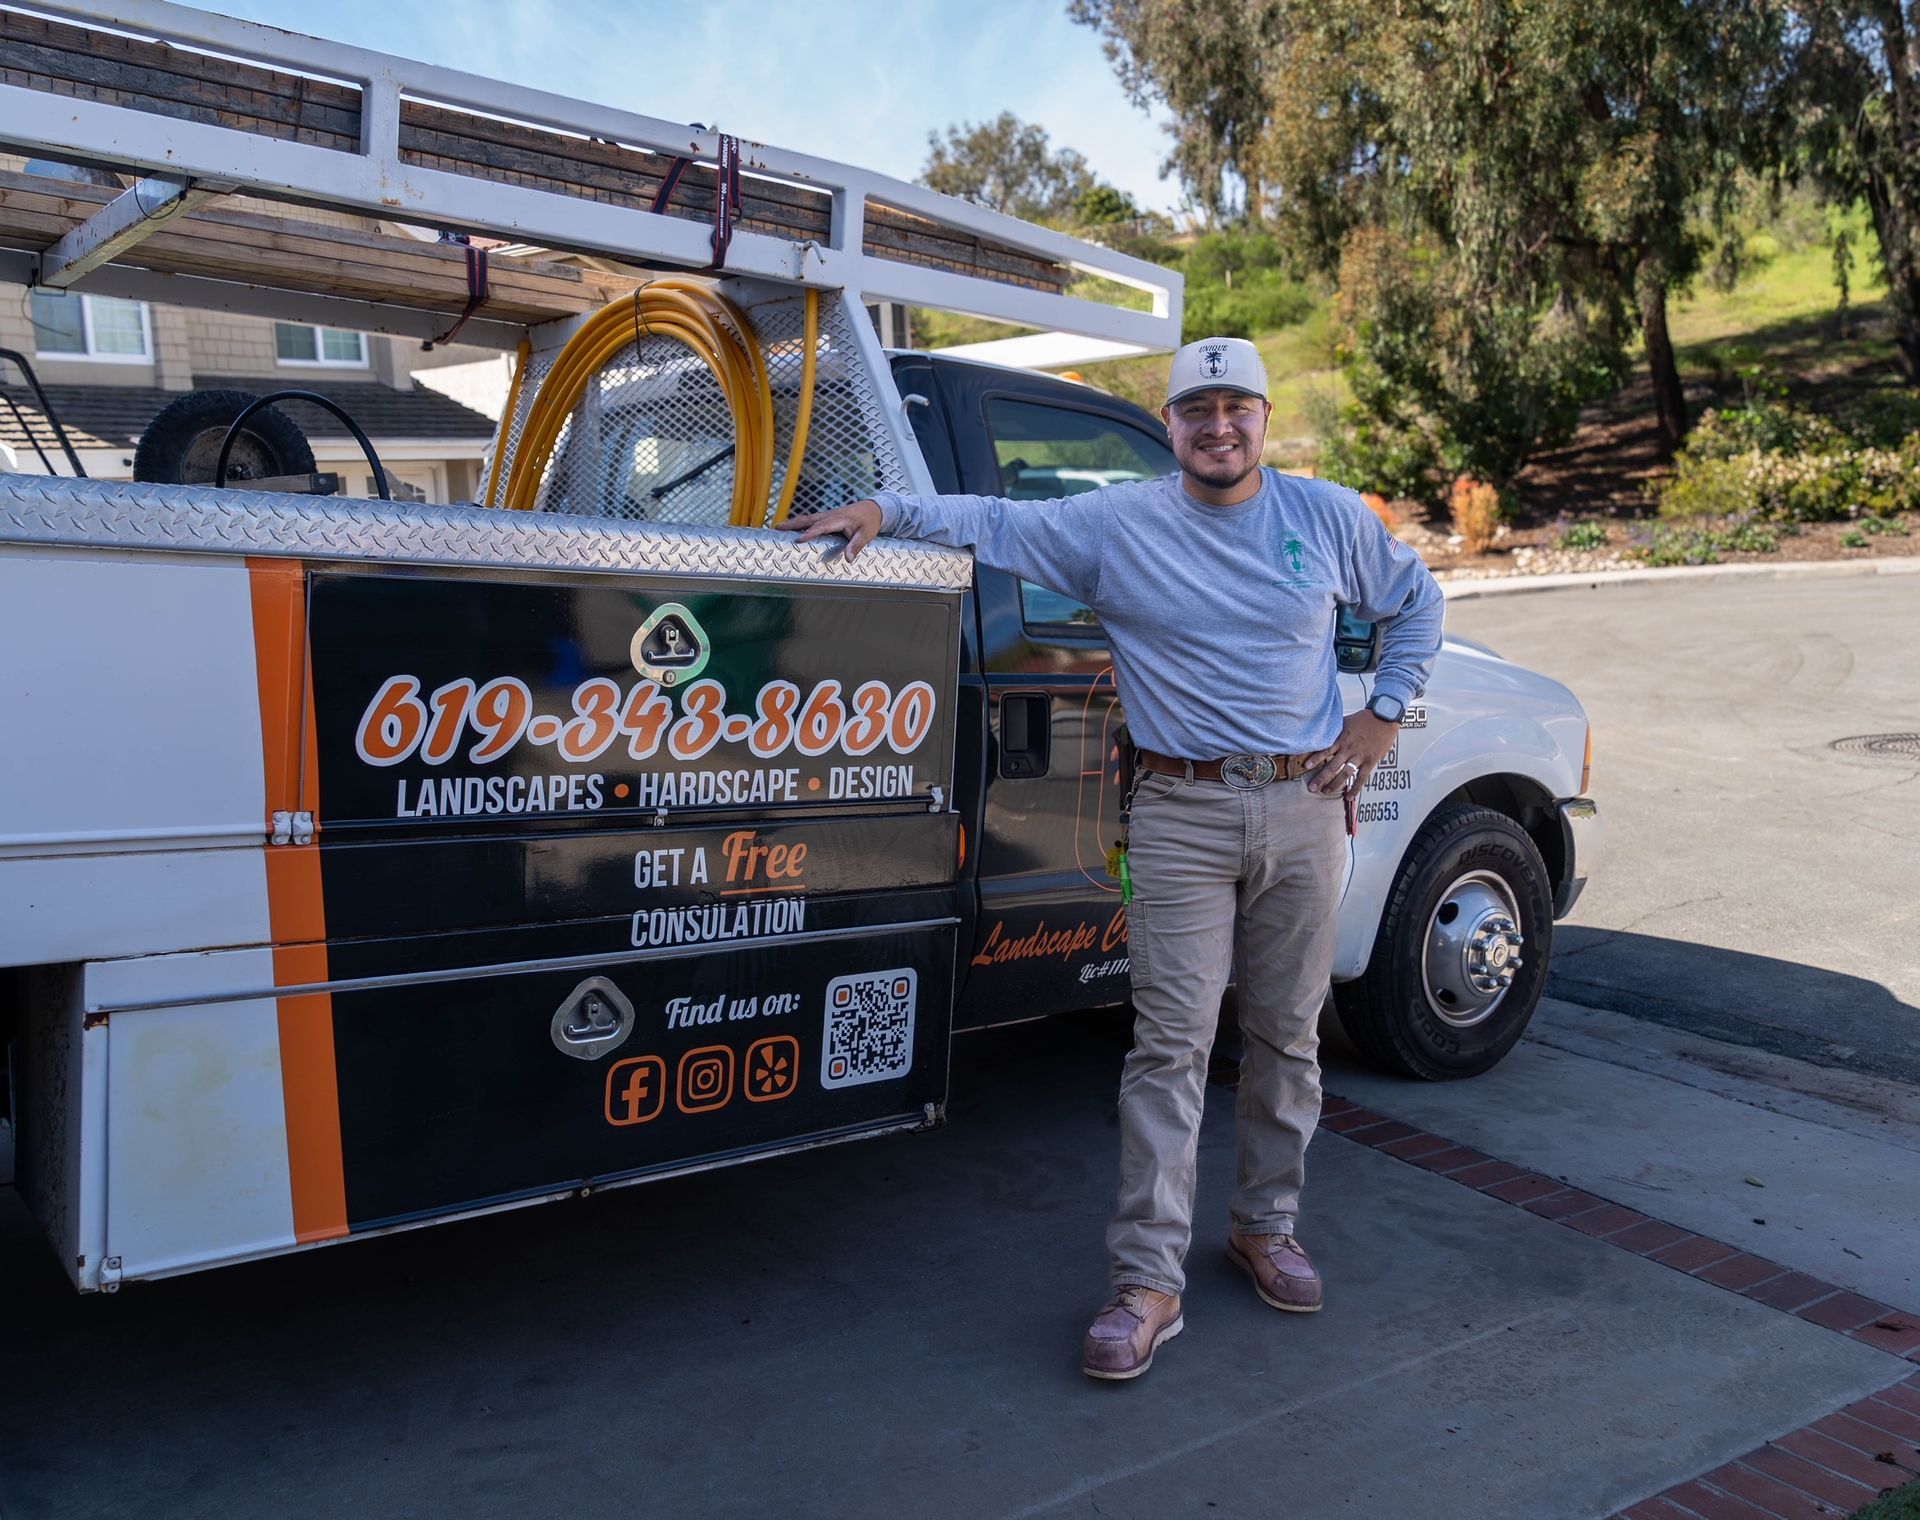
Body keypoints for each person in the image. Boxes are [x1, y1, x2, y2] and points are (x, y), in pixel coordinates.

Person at [780, 336, 1444, 1380]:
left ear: (1264, 417)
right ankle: (1148, 1281)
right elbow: (996, 520)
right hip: (1180, 807)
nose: (1218, 427)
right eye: (1196, 411)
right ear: (1170, 425)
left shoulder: (1322, 518)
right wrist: (886, 511)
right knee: (1170, 1047)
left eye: (1237, 408)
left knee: (1286, 1033)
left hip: (1309, 804)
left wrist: (1382, 720)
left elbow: (1417, 604)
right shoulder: (1117, 523)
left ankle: (1265, 1226)